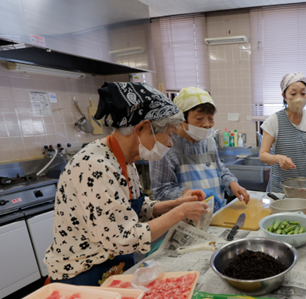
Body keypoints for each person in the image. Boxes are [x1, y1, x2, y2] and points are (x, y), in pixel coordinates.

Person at [44, 82, 208, 286]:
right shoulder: (96, 166)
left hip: (114, 266)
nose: (169, 143)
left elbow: (132, 207)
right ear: (143, 128)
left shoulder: (125, 159)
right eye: (169, 134)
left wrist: (176, 203)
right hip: (83, 273)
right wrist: (180, 213)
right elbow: (122, 238)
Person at [150, 87, 249, 210]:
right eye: (199, 119)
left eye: (211, 118)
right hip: (185, 219)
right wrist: (190, 193)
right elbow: (161, 191)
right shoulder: (167, 146)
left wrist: (232, 183)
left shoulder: (209, 141)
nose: (207, 124)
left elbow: (221, 170)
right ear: (182, 119)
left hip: (216, 215)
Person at [259, 73, 306, 193]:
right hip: (280, 188)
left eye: (303, 93)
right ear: (284, 96)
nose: (298, 98)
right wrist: (278, 159)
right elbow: (263, 155)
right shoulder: (274, 120)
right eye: (293, 94)